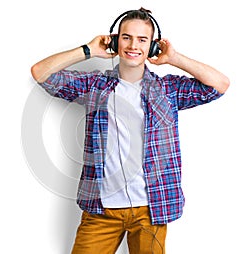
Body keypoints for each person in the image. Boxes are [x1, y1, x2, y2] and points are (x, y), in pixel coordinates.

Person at [31, 7, 229, 254]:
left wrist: (174, 58)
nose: (133, 45)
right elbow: (41, 73)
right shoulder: (95, 86)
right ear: (115, 41)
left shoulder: (167, 90)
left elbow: (219, 85)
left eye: (142, 39)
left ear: (153, 47)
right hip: (101, 209)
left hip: (150, 209)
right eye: (126, 37)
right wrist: (88, 50)